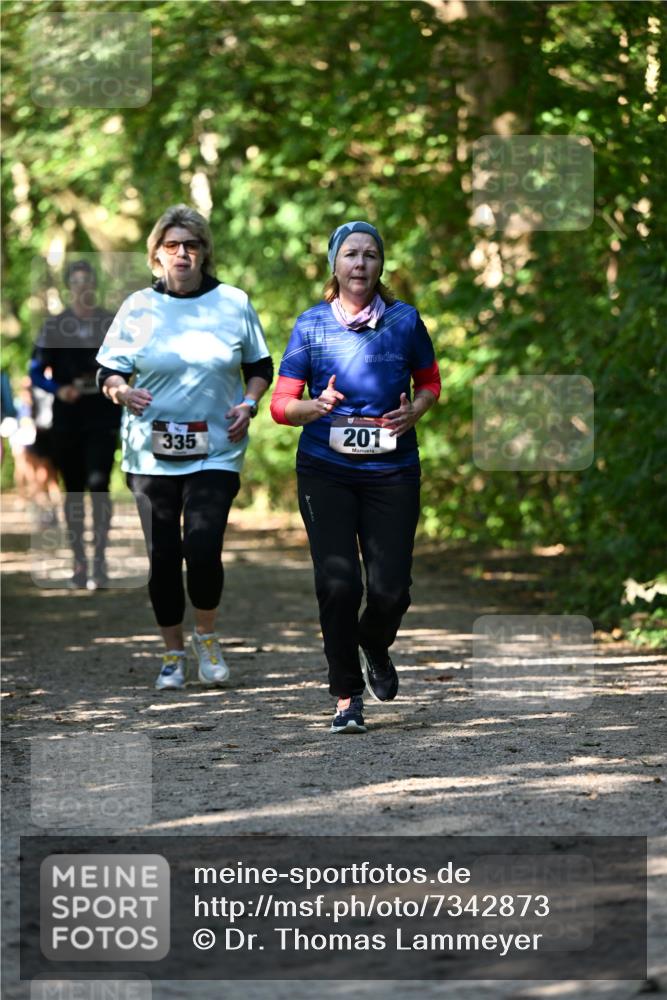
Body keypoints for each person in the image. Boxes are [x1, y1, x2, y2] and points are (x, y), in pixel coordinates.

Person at [270, 220, 441, 734]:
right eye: (350, 254)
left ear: (380, 264)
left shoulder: (405, 321)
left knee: (392, 590)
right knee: (338, 584)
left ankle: (374, 642)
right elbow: (280, 405)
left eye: (370, 254)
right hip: (326, 470)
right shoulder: (311, 326)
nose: (360, 263)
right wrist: (315, 406)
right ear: (335, 265)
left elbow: (430, 382)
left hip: (393, 469)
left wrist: (416, 410)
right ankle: (346, 696)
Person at [96, 204, 272, 691]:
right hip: (149, 452)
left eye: (191, 245)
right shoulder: (138, 307)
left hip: (217, 447)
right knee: (164, 555)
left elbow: (260, 365)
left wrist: (249, 404)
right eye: (171, 245)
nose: (181, 253)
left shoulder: (233, 302)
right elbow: (108, 370)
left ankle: (206, 637)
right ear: (156, 254)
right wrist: (121, 392)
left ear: (204, 253)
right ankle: (172, 653)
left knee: (203, 544)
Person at [30, 260, 120, 587]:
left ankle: (100, 562)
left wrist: (118, 386)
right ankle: (79, 562)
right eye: (77, 282)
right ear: (70, 287)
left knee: (99, 485)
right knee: (74, 492)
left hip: (103, 417)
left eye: (87, 281)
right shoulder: (55, 326)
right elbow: (35, 370)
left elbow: (128, 363)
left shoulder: (109, 322)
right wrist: (59, 389)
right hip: (67, 421)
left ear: (94, 285)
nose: (83, 287)